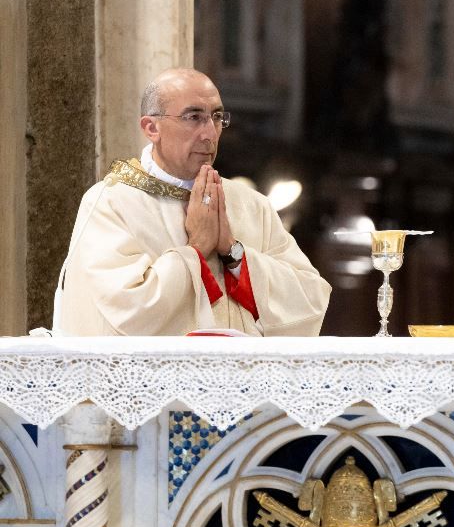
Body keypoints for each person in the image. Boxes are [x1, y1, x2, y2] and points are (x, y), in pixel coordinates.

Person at [55, 68, 331, 336]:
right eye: (194, 117)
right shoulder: (111, 203)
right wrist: (196, 248)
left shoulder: (250, 205)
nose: (210, 133)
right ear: (151, 127)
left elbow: (309, 299)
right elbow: (127, 310)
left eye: (217, 117)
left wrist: (234, 254)